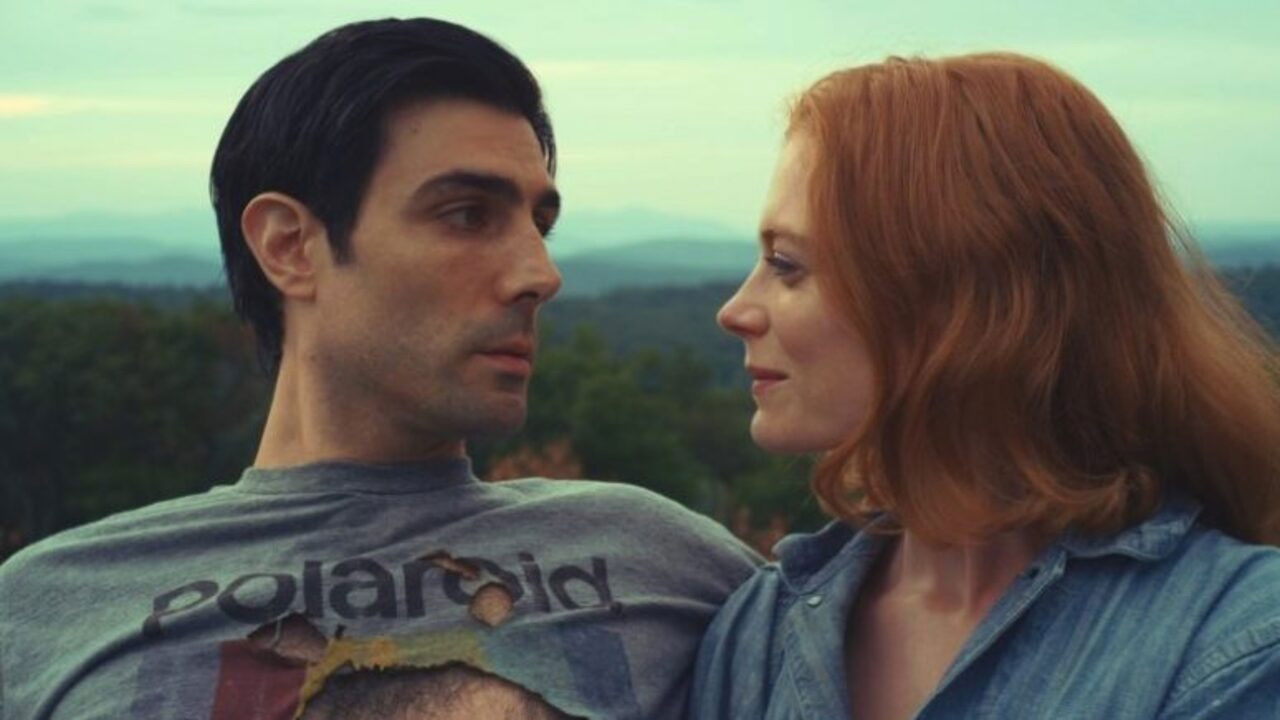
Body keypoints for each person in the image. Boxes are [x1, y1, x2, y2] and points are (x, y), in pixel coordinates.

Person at [0, 18, 759, 719]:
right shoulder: (43, 612)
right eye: (467, 214)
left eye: (541, 225)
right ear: (290, 247)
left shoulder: (667, 560)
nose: (541, 274)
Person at [690, 52, 1280, 719]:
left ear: (963, 303)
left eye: (786, 265)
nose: (736, 311)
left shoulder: (1236, 642)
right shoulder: (756, 633)